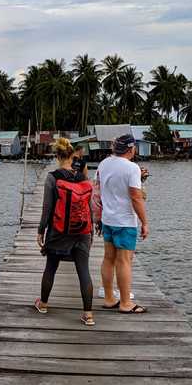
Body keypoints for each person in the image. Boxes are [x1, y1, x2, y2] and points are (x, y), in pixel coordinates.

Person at [35, 138, 95, 326]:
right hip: (83, 231)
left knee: (51, 267)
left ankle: (43, 304)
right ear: (72, 155)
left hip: (59, 231)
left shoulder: (53, 177)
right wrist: (90, 231)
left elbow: (47, 207)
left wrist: (40, 230)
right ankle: (88, 315)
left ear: (57, 156)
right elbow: (89, 206)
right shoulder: (83, 177)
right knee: (83, 271)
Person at [96, 134, 148, 314]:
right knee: (124, 261)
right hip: (125, 221)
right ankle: (126, 303)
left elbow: (103, 188)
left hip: (108, 219)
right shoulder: (132, 168)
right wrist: (144, 222)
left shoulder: (103, 164)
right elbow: (135, 196)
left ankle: (110, 298)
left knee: (108, 258)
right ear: (131, 149)